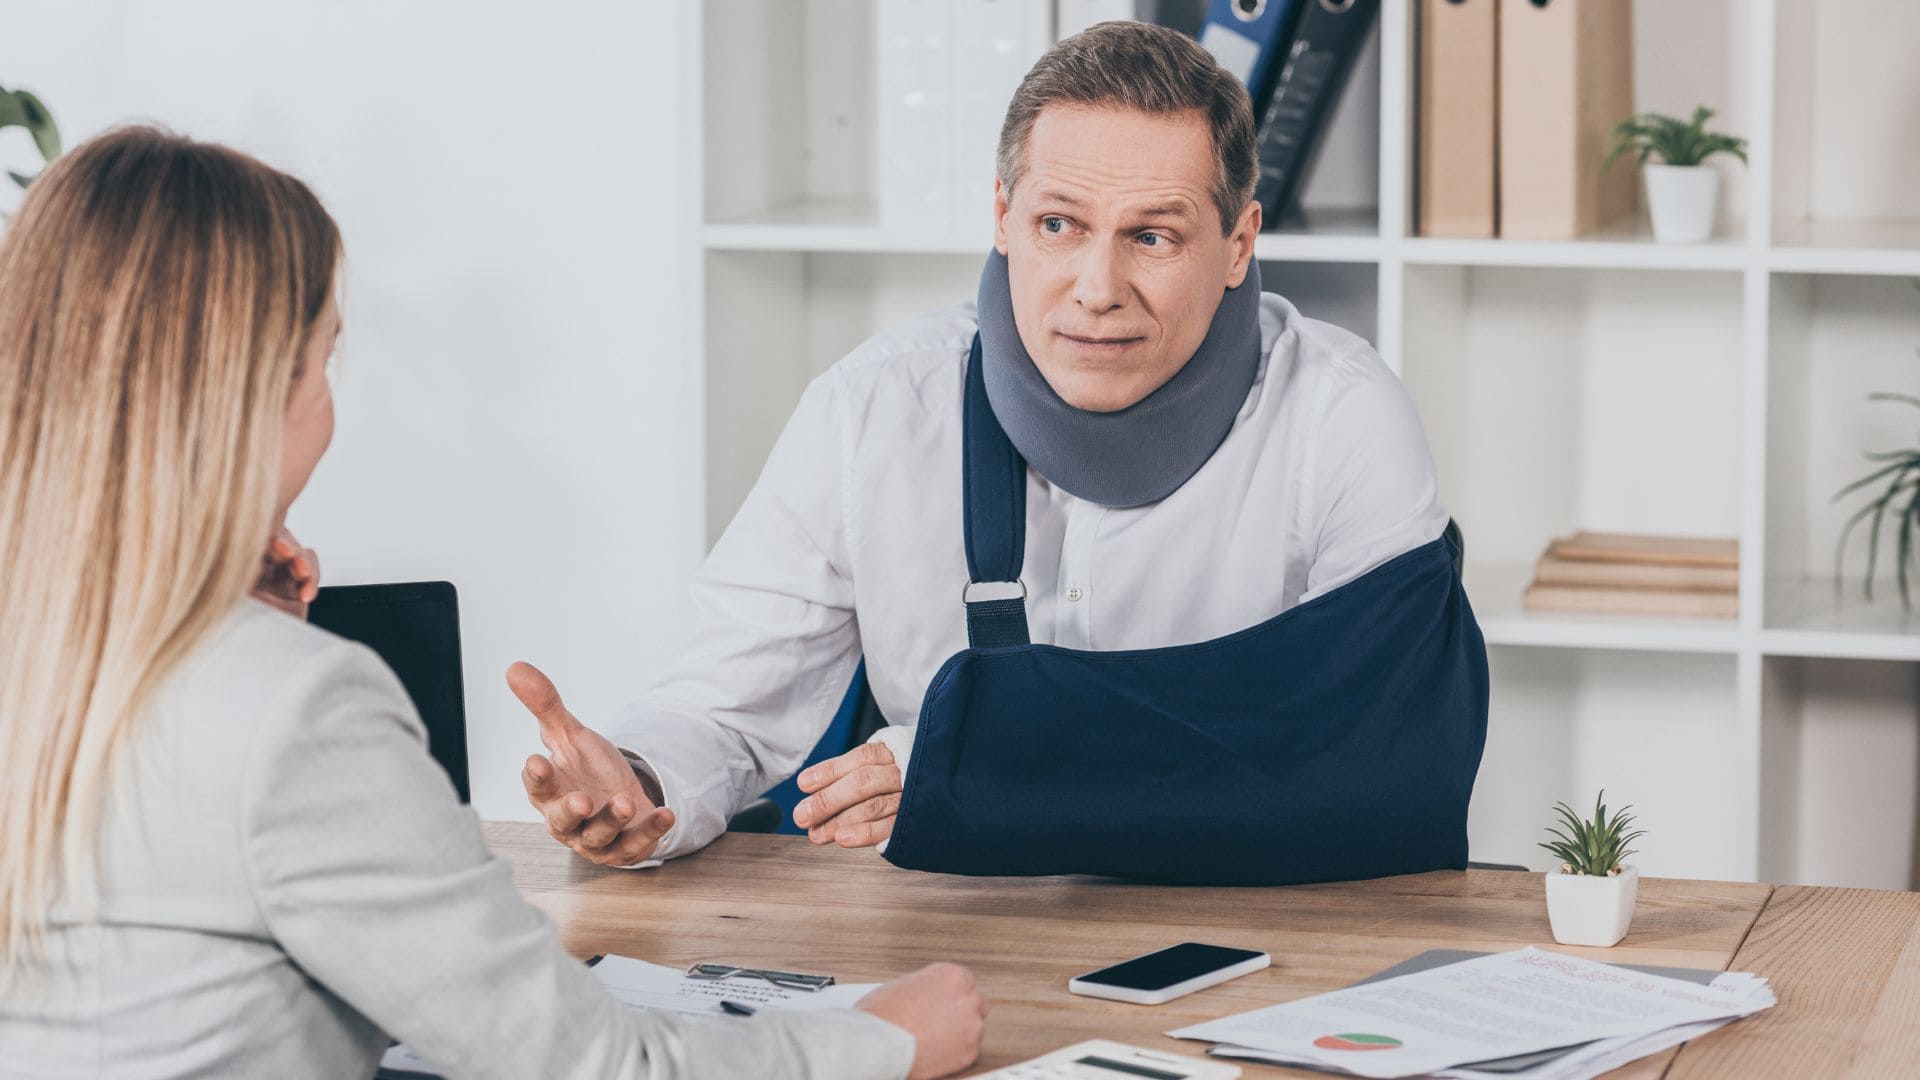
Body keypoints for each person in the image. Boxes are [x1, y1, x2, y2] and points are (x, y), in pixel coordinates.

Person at [0, 126, 985, 1080]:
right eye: (324, 358)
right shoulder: (293, 707)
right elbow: (595, 1066)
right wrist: (887, 1040)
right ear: (256, 387)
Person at [518, 19, 1485, 884]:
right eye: (1057, 225)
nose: (1096, 288)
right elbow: (725, 707)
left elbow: (1385, 755)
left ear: (1238, 245)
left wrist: (977, 760)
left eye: (1152, 235)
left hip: (1262, 927)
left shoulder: (1341, 420)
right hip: (954, 938)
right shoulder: (874, 412)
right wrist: (638, 784)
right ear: (1001, 216)